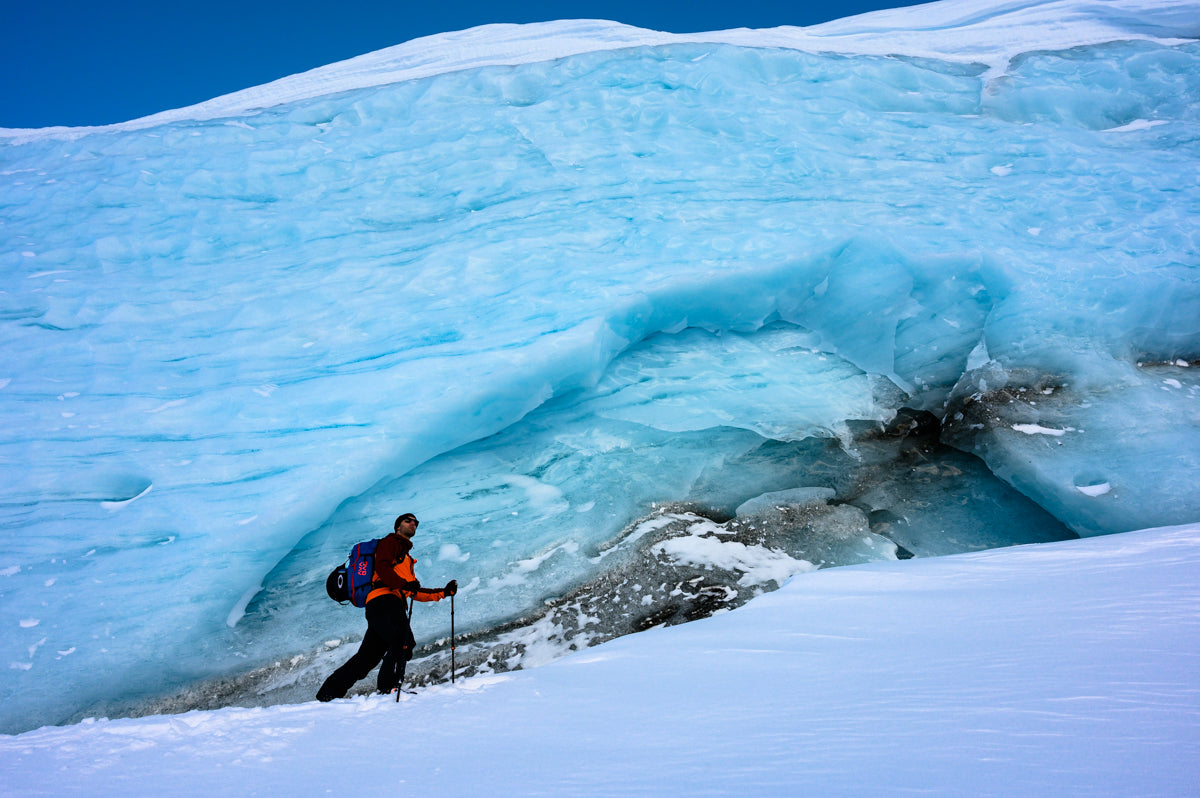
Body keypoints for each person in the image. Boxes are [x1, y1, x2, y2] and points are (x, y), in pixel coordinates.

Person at [317, 513, 457, 701]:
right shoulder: (390, 543)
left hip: (383, 605)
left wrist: (444, 592)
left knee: (367, 658)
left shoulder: (405, 559)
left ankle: (328, 693)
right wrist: (404, 585)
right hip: (385, 602)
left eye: (416, 522)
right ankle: (388, 687)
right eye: (408, 520)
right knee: (403, 641)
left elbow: (413, 592)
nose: (413, 523)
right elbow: (383, 569)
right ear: (397, 527)